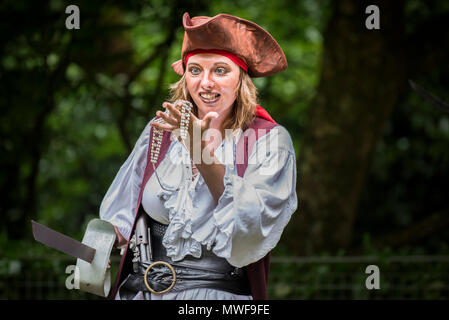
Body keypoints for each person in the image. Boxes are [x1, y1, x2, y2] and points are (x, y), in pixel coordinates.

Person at [99, 12, 298, 300]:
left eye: (220, 70)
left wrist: (198, 150)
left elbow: (251, 225)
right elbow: (123, 214)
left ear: (241, 80)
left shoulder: (268, 140)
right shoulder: (160, 132)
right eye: (195, 70)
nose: (205, 83)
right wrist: (101, 240)